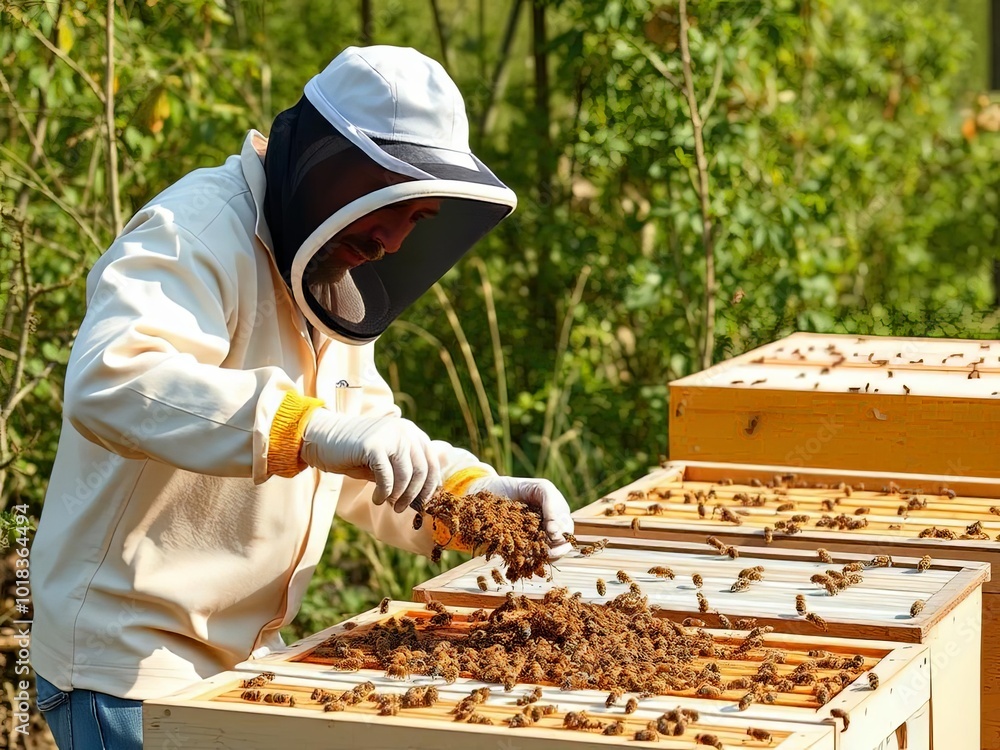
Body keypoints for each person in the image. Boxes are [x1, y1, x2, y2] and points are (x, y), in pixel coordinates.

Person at [30, 45, 574, 749]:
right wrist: (312, 431)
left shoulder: (321, 272)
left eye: (419, 219)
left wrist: (478, 499)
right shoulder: (197, 229)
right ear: (329, 167)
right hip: (129, 669)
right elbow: (114, 379)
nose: (392, 240)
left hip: (241, 660)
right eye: (392, 207)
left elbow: (364, 439)